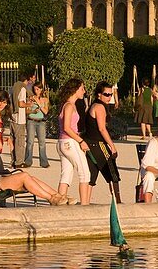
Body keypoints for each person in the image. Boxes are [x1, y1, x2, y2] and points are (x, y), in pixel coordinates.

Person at [56, 78, 91, 206]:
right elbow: (67, 127)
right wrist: (81, 141)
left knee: (66, 174)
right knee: (85, 173)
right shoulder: (69, 106)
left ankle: (59, 201)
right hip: (69, 142)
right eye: (82, 88)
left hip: (62, 143)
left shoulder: (66, 104)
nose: (84, 91)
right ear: (75, 89)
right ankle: (85, 205)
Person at [85, 81, 122, 202]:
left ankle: (86, 202)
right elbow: (102, 128)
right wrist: (112, 146)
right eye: (106, 94)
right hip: (98, 143)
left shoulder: (93, 105)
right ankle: (118, 200)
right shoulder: (100, 107)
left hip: (90, 143)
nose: (109, 97)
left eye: (111, 94)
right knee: (112, 172)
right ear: (99, 94)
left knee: (92, 174)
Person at [11, 70, 35, 169]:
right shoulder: (22, 88)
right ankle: (19, 162)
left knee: (13, 140)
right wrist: (29, 104)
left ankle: (13, 160)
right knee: (20, 141)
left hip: (12, 117)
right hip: (19, 118)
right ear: (27, 79)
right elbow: (21, 104)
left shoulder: (13, 87)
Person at [25, 82, 50, 168]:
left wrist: (39, 103)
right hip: (31, 120)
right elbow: (27, 110)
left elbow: (46, 111)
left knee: (42, 142)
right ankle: (28, 161)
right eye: (35, 89)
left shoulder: (45, 100)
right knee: (30, 141)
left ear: (41, 89)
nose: (36, 91)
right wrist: (32, 110)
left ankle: (44, 162)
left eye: (38, 89)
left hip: (41, 121)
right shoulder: (30, 98)